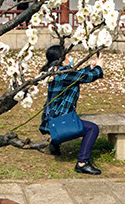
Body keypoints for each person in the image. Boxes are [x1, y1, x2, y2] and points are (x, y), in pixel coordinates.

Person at [40, 44, 104, 175]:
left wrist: (91, 66)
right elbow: (86, 77)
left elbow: (77, 75)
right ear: (61, 60)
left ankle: (55, 144)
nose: (70, 57)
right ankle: (82, 163)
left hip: (51, 119)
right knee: (92, 129)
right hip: (58, 122)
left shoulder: (55, 71)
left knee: (76, 120)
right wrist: (99, 67)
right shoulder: (64, 75)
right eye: (68, 56)